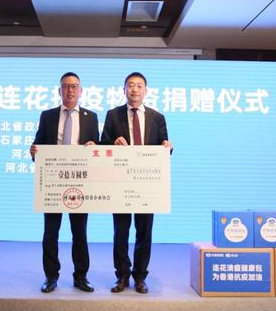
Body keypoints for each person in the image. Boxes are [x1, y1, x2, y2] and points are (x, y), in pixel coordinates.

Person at [101, 72, 172, 294]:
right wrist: (113, 143)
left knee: (144, 232)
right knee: (120, 232)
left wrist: (168, 146)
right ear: (124, 90)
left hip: (146, 185)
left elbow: (164, 146)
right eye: (130, 85)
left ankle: (140, 276)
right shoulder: (113, 115)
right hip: (121, 183)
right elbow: (103, 145)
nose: (134, 89)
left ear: (146, 90)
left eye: (139, 86)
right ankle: (122, 276)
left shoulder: (157, 117)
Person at [30, 72, 99, 293]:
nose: (70, 90)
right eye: (66, 86)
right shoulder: (47, 116)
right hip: (53, 182)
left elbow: (98, 147)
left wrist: (95, 147)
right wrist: (34, 151)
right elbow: (38, 143)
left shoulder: (91, 117)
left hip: (80, 182)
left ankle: (81, 276)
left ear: (81, 91)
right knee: (51, 233)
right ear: (59, 90)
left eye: (74, 86)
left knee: (80, 233)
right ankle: (51, 276)